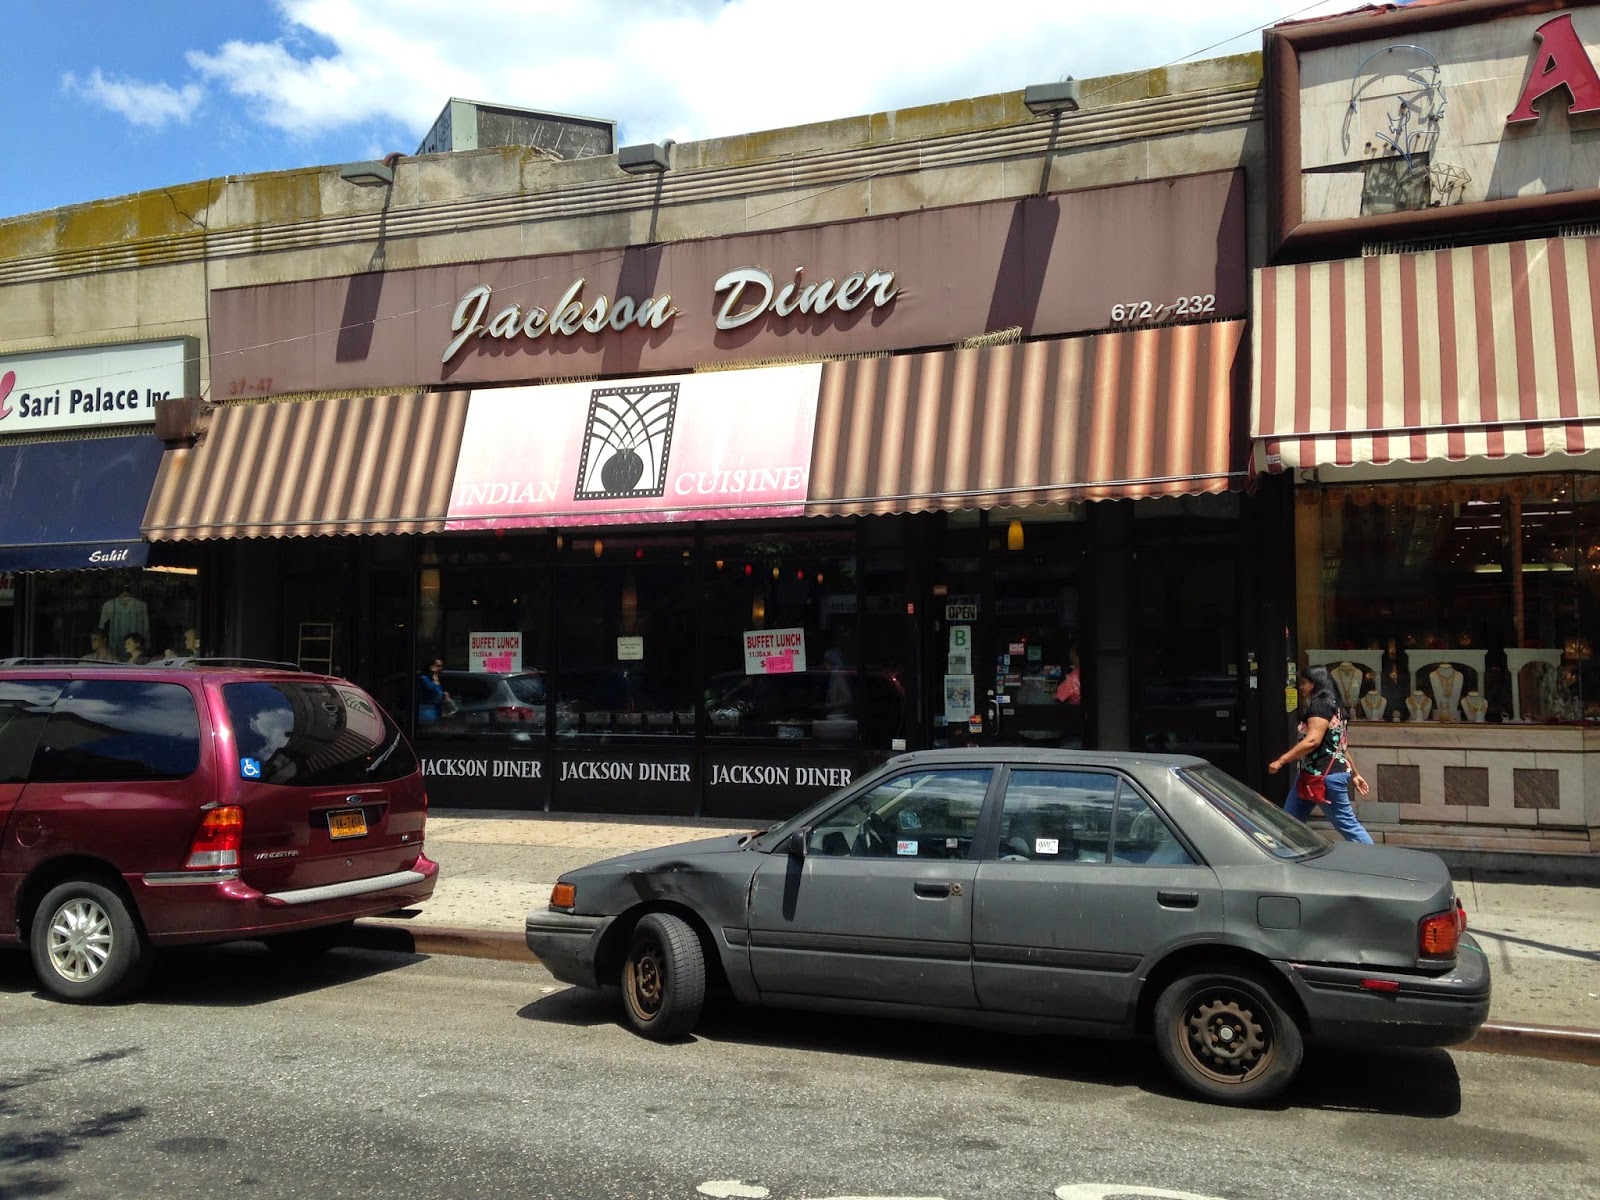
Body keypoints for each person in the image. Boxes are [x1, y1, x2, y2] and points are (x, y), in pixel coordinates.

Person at [1269, 665, 1373, 844]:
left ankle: (1376, 861)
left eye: (1304, 683)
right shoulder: (1335, 705)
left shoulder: (1319, 704)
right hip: (1311, 776)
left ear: (1315, 683)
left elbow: (1312, 741)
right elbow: (1339, 746)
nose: (1301, 687)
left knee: (1348, 825)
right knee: (1290, 820)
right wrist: (1355, 773)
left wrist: (1281, 760)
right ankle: (1285, 854)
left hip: (1324, 777)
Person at [418, 657, 450, 725]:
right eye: (438, 666)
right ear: (431, 667)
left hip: (437, 712)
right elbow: (436, 691)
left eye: (441, 666)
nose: (440, 668)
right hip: (428, 712)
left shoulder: (439, 678)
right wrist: (435, 676)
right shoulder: (424, 679)